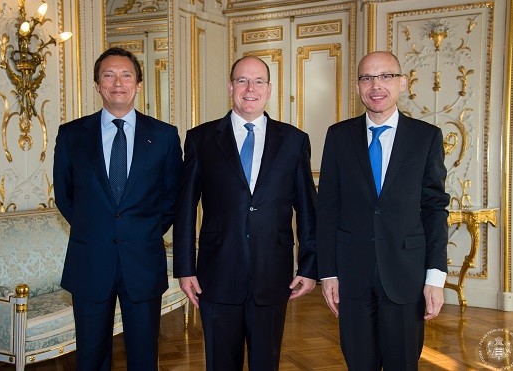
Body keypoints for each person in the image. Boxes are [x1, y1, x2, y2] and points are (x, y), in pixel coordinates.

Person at [173, 55, 317, 371]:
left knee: (267, 363)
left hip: (273, 273)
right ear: (230, 87)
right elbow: (185, 208)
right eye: (242, 80)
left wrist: (309, 267)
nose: (249, 88)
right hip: (217, 273)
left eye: (258, 81)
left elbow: (307, 208)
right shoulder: (201, 139)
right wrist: (185, 268)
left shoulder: (294, 140)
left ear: (269, 89)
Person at [316, 51, 450, 370]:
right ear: (359, 86)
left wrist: (435, 277)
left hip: (407, 273)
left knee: (402, 363)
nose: (376, 85)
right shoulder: (338, 136)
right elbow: (328, 209)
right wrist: (328, 272)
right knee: (358, 363)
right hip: (351, 274)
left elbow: (434, 209)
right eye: (366, 77)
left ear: (402, 83)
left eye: (385, 76)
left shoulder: (426, 137)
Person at [53, 47, 182, 370]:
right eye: (108, 75)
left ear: (138, 84)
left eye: (126, 75)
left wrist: (141, 232)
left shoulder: (164, 136)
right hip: (90, 261)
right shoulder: (71, 135)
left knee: (143, 356)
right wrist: (96, 229)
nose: (117, 83)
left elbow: (171, 198)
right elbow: (65, 196)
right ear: (97, 84)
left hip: (143, 260)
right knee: (91, 357)